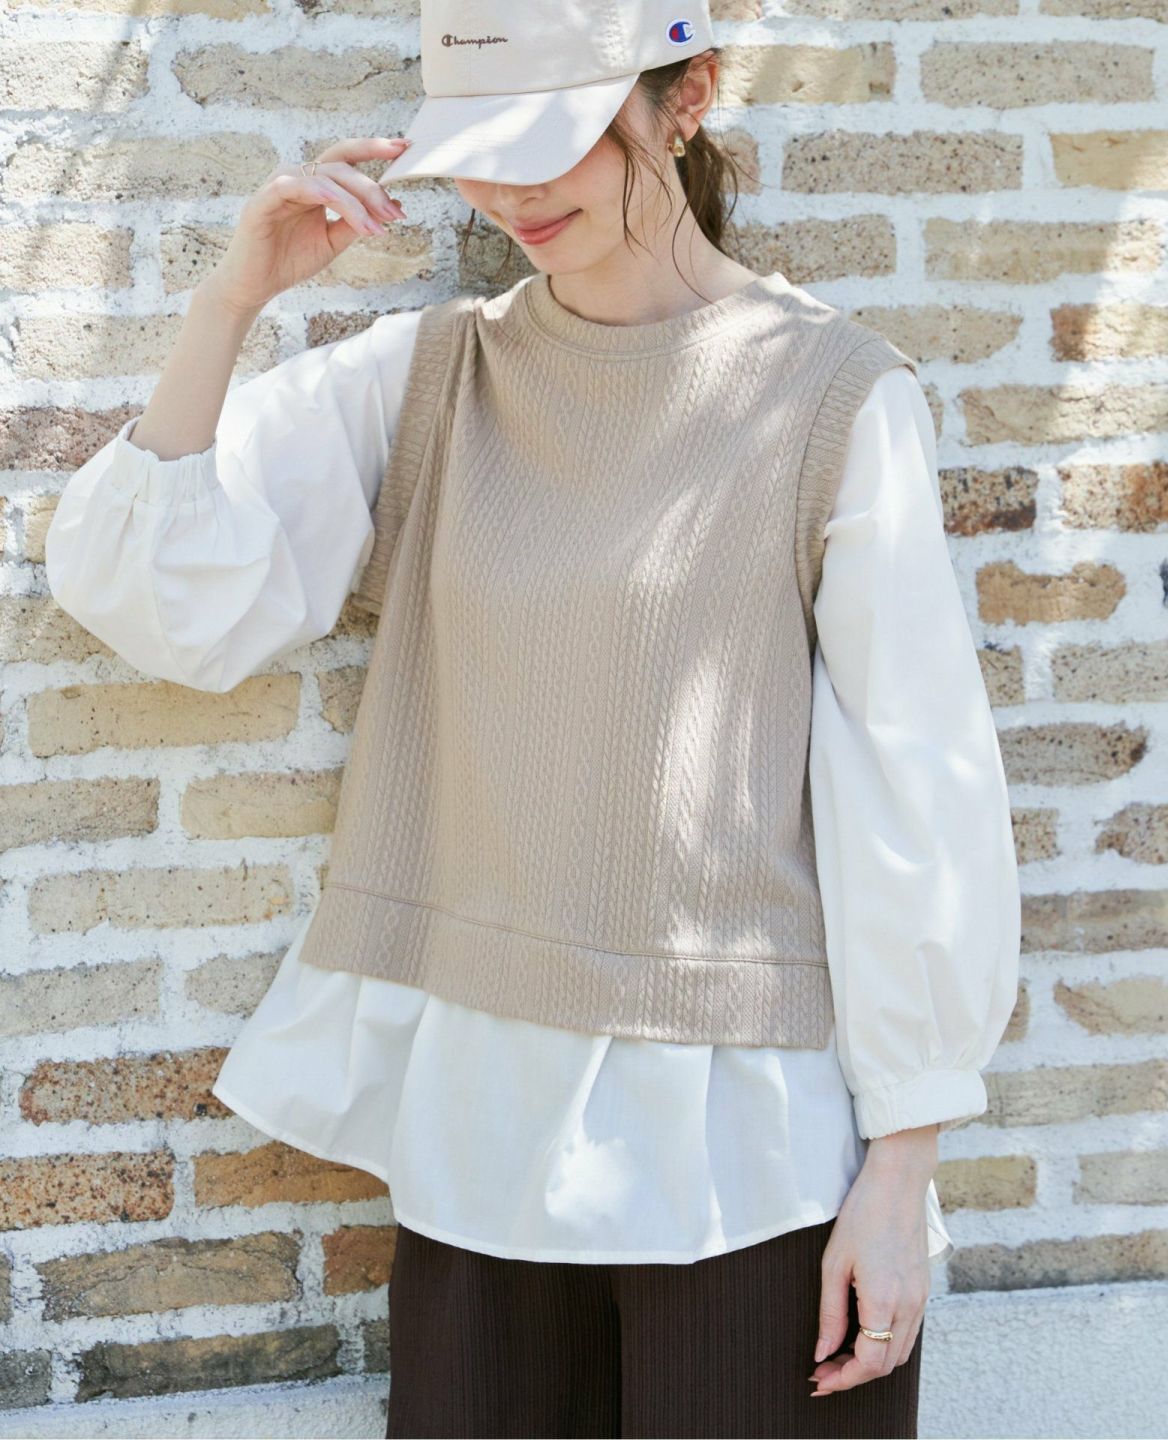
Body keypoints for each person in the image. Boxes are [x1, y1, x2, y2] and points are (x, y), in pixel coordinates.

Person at [44, 2, 1022, 1435]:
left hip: (748, 1152)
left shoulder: (832, 398)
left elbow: (914, 786)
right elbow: (163, 597)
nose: (508, 193)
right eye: (479, 151)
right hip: (484, 1137)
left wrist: (904, 1166)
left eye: (550, 140)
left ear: (688, 96)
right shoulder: (435, 377)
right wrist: (228, 302)